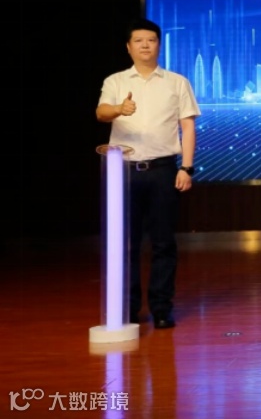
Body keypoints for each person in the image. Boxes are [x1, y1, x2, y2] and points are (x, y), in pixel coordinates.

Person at [96, 19, 200, 329]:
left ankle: (162, 308)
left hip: (163, 170)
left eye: (151, 40)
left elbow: (188, 126)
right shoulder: (115, 81)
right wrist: (119, 109)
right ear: (128, 47)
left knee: (163, 243)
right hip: (123, 171)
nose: (145, 45)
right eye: (139, 40)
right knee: (125, 242)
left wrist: (186, 167)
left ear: (159, 45)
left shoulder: (176, 82)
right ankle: (127, 309)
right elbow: (101, 112)